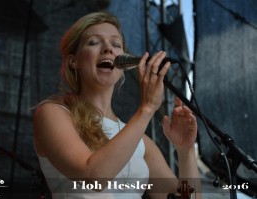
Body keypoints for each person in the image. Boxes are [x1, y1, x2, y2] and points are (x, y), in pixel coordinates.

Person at [33, 11, 201, 199]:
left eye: (116, 44)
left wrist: (185, 152)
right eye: (94, 42)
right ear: (74, 61)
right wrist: (146, 109)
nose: (108, 49)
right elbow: (93, 176)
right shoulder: (53, 113)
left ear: (124, 64)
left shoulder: (139, 141)